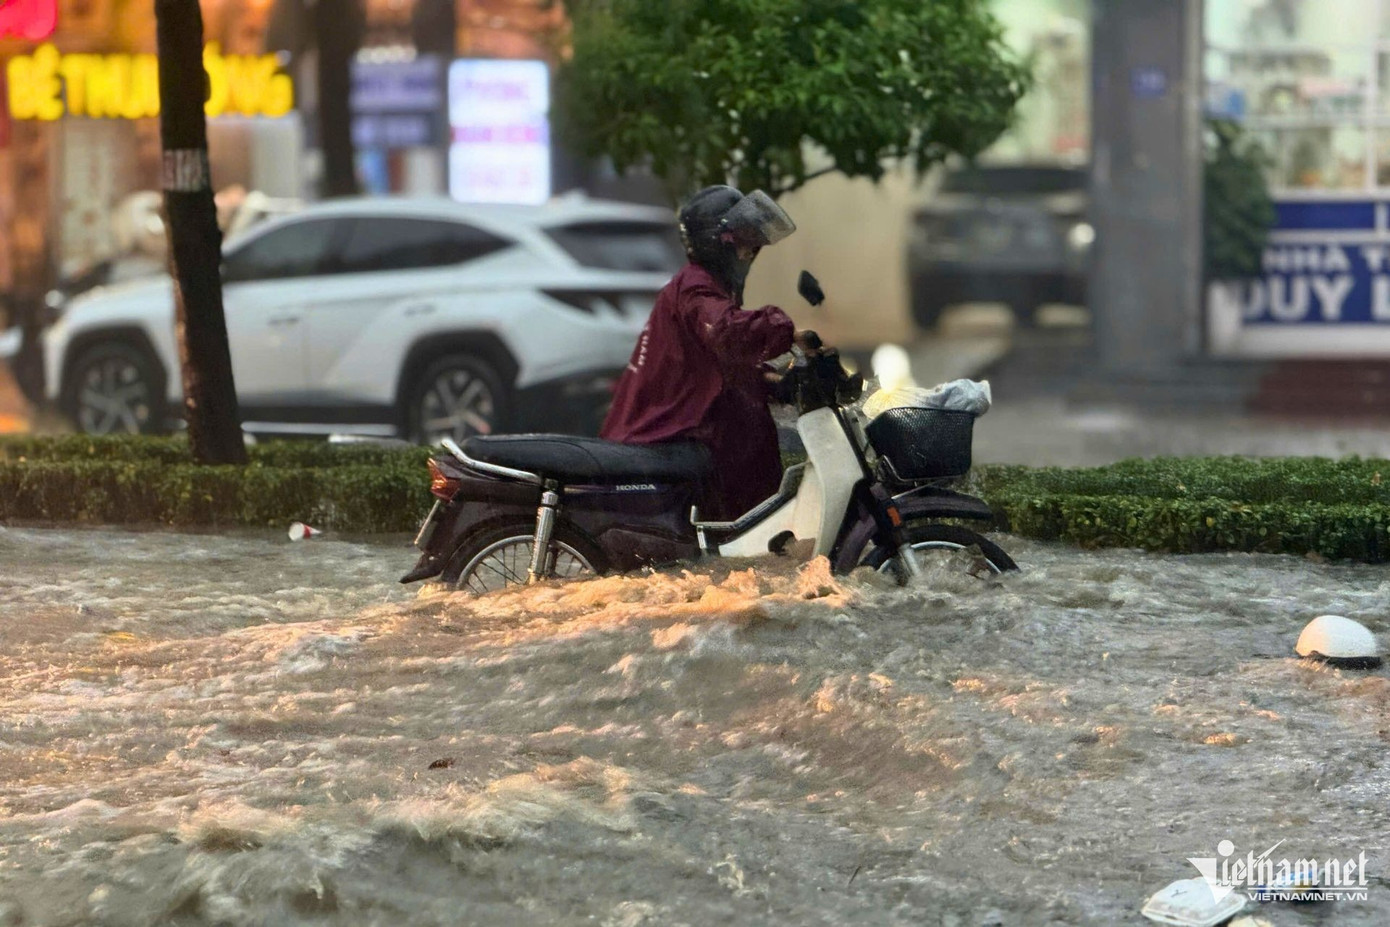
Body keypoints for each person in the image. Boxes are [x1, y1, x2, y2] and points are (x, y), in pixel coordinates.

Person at [601, 185, 815, 519]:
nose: (750, 252)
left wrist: (772, 381)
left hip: (681, 425)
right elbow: (726, 331)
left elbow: (711, 368)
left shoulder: (709, 285)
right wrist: (788, 330)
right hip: (665, 432)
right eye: (744, 241)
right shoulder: (695, 286)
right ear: (720, 242)